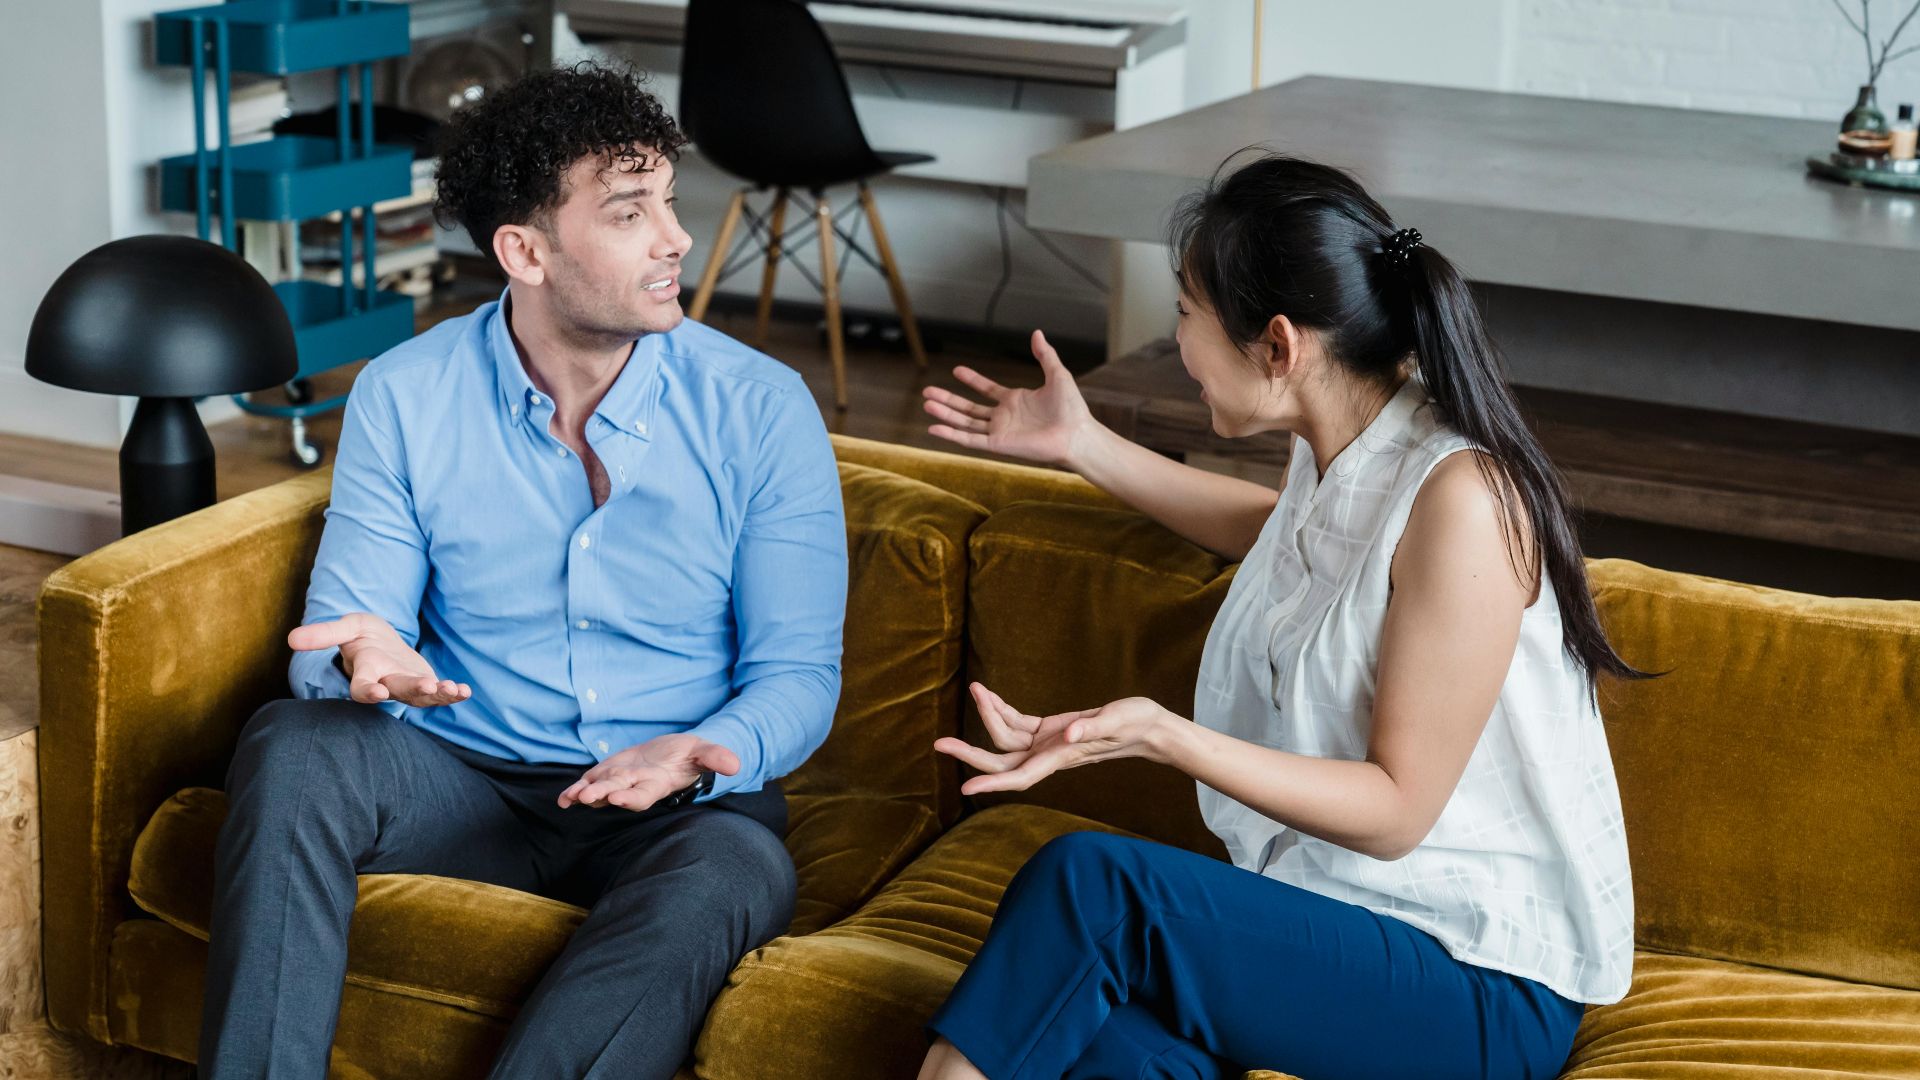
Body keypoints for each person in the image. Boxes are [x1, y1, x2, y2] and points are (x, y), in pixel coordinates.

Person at [913, 153, 1645, 1080]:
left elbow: (1396, 811)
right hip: (1345, 919)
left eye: (1185, 313)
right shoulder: (1348, 444)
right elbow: (1285, 540)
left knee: (1091, 889)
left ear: (1279, 345)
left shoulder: (1464, 498)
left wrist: (1161, 735)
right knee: (1097, 1045)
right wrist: (1083, 444)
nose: (1176, 340)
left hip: (1477, 981)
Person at [197, 64, 847, 1080]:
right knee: (295, 744)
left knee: (734, 869)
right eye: (631, 212)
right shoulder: (405, 395)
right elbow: (347, 632)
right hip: (468, 783)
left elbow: (800, 674)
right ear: (524, 251)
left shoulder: (760, 409)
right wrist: (368, 664)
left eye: (667, 203)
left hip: (675, 808)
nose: (675, 239)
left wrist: (701, 750)